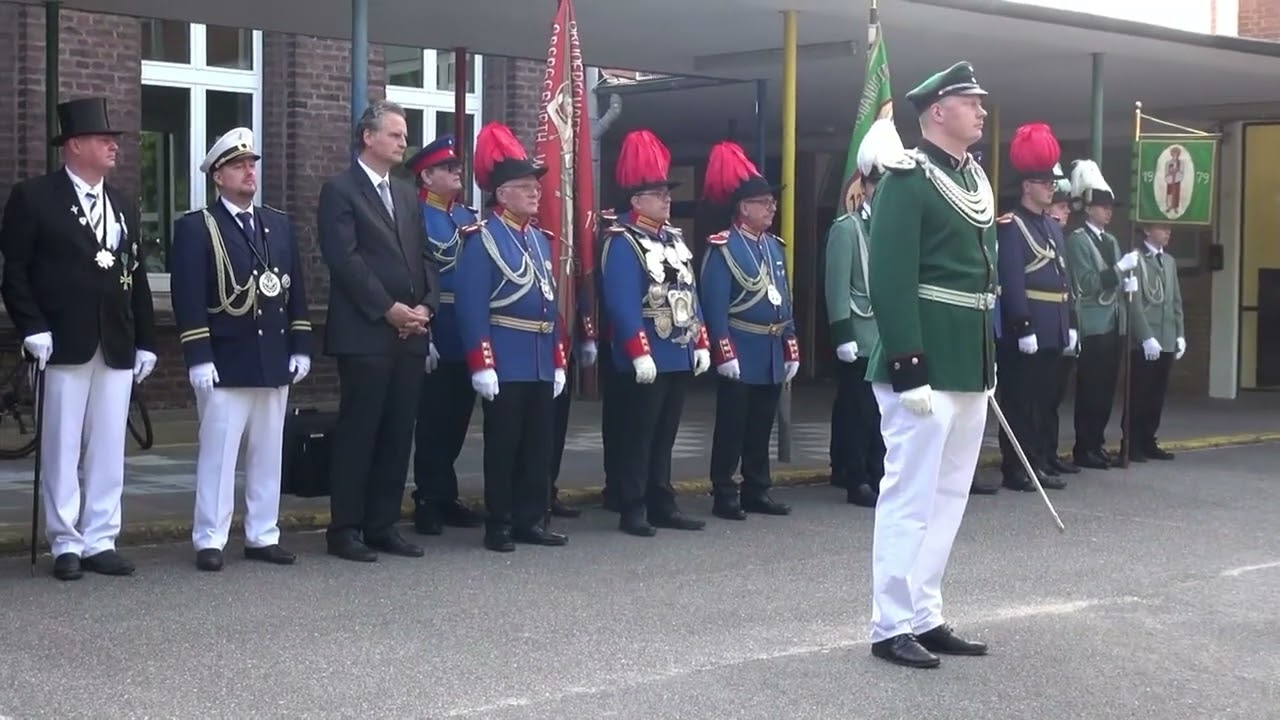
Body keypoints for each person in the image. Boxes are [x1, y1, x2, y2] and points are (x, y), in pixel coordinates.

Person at [864, 62, 996, 668]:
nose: (981, 110)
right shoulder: (908, 178)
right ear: (937, 111)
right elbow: (890, 277)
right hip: (923, 361)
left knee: (948, 496)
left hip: (967, 361)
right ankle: (890, 623)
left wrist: (987, 364)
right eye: (970, 101)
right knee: (910, 496)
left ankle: (924, 612)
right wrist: (908, 363)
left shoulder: (974, 178)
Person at [0, 97, 158, 581]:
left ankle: (101, 537)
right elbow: (14, 273)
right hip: (60, 342)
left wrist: (147, 339)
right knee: (62, 446)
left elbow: (136, 275)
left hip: (115, 342)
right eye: (102, 138)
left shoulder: (123, 203)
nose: (114, 146)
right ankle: (65, 540)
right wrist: (31, 326)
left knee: (108, 447)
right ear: (74, 145)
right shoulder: (34, 197)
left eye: (113, 139)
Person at [170, 127, 311, 571]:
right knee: (219, 455)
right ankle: (210, 538)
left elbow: (295, 289)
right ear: (217, 176)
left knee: (268, 453)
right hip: (226, 359)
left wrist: (301, 344)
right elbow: (188, 296)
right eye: (237, 165)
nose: (249, 171)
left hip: (273, 358)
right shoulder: (197, 227)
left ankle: (262, 533)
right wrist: (198, 356)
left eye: (251, 164)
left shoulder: (277, 224)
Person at [317, 100, 440, 563]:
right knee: (360, 431)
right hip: (366, 333)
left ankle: (382, 524)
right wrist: (387, 309)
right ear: (367, 137)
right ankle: (345, 528)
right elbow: (344, 259)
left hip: (410, 334)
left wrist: (426, 305)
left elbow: (425, 255)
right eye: (395, 133)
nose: (403, 141)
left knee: (398, 433)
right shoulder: (340, 190)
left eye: (404, 135)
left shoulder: (406, 193)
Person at [455, 121, 569, 552]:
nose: (536, 193)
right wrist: (481, 363)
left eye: (536, 187)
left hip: (539, 357)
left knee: (539, 446)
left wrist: (557, 359)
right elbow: (472, 306)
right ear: (502, 194)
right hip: (505, 357)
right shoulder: (483, 238)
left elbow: (549, 304)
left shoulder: (538, 239)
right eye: (525, 187)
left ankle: (531, 518)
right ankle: (499, 522)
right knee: (504, 446)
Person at [601, 129, 710, 537]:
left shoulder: (674, 239)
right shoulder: (623, 240)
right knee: (638, 434)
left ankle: (661, 500)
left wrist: (701, 341)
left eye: (667, 194)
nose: (667, 200)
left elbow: (689, 293)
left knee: (665, 435)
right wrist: (637, 350)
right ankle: (632, 505)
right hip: (646, 353)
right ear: (636, 201)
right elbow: (621, 301)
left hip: (676, 349)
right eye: (658, 194)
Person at [699, 141, 796, 521]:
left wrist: (790, 344)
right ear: (743, 208)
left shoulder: (773, 246)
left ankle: (757, 487)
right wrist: (723, 351)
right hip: (740, 345)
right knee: (732, 426)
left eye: (772, 202)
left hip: (769, 347)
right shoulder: (724, 247)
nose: (772, 207)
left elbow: (783, 299)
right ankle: (724, 491)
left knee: (761, 425)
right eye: (764, 202)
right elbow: (715, 305)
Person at [404, 135, 486, 536]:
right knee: (433, 421)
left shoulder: (466, 216)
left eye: (457, 167)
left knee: (458, 419)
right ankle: (428, 499)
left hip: (464, 330)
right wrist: (426, 334)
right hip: (434, 325)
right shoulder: (415, 215)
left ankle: (446, 494)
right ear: (426, 176)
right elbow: (412, 275)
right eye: (448, 168)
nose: (458, 172)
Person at [823, 118, 900, 508]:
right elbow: (836, 285)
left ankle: (878, 471)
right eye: (877, 184)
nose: (883, 191)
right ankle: (856, 478)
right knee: (859, 413)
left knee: (886, 413)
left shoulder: (898, 231)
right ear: (865, 186)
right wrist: (842, 334)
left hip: (890, 337)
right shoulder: (847, 229)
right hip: (862, 336)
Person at [993, 123, 1072, 493]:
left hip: (1052, 325)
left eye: (1052, 183)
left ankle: (1038, 461)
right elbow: (1012, 280)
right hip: (1027, 330)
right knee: (1020, 402)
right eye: (1045, 183)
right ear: (1027, 186)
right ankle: (1017, 467)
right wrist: (1022, 325)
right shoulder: (1012, 226)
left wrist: (1068, 324)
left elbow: (1063, 277)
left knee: (1043, 401)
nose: (1051, 188)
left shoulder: (1052, 228)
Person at [1064, 160, 1140, 470]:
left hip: (1114, 323)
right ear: (1089, 209)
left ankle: (1096, 443)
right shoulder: (1077, 241)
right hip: (1093, 325)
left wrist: (1126, 283)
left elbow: (1114, 280)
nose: (1108, 212)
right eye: (1103, 207)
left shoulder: (1110, 241)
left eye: (1110, 207)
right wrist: (1119, 270)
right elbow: (1087, 283)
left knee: (1107, 391)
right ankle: (1084, 447)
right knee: (1091, 390)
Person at [1121, 222, 1184, 462]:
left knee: (1157, 394)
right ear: (1147, 231)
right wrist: (1145, 336)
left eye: (1169, 229)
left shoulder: (1169, 261)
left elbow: (1175, 300)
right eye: (1162, 228)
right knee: (1140, 393)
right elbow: (1134, 302)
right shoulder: (1136, 259)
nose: (1168, 232)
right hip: (1146, 339)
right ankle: (1132, 442)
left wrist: (1180, 333)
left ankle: (1148, 439)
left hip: (1166, 336)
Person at [1044, 165, 1081, 474]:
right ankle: (1037, 457)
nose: (1066, 211)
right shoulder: (1043, 236)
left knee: (1054, 398)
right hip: (1044, 328)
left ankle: (1049, 453)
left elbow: (1068, 289)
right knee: (1039, 400)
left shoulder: (1060, 238)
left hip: (1061, 326)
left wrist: (1072, 326)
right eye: (1061, 205)